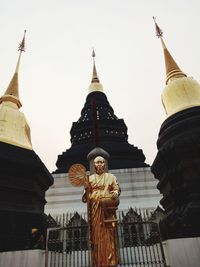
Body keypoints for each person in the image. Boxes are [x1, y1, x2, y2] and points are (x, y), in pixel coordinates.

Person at [82, 156, 120, 267]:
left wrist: (116, 193)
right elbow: (85, 198)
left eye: (101, 162)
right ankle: (98, 262)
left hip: (107, 209)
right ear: (94, 165)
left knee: (109, 235)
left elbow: (116, 188)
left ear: (105, 164)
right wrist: (86, 190)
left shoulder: (111, 177)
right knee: (96, 235)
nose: (99, 165)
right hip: (94, 209)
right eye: (97, 163)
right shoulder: (89, 178)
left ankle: (111, 261)